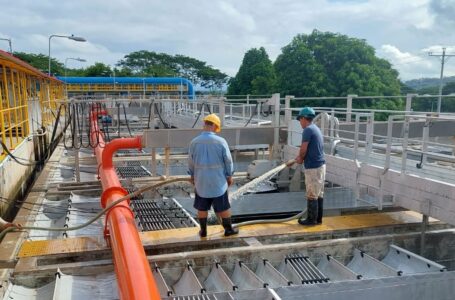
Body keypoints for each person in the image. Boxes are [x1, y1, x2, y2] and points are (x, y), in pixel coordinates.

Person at [188, 113, 238, 237]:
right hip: (218, 181)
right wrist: (229, 175)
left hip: (201, 180)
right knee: (223, 207)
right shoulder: (221, 141)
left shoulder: (194, 142)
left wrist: (192, 176)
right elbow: (228, 160)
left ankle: (203, 231)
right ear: (215, 126)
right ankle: (228, 230)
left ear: (204, 124)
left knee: (202, 207)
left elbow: (190, 161)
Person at [294, 107, 326, 226]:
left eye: (300, 119)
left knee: (312, 194)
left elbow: (303, 149)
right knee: (319, 194)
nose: (300, 122)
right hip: (320, 165)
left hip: (313, 167)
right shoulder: (316, 128)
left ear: (303, 118)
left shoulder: (307, 130)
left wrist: (300, 158)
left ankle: (311, 220)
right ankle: (318, 219)